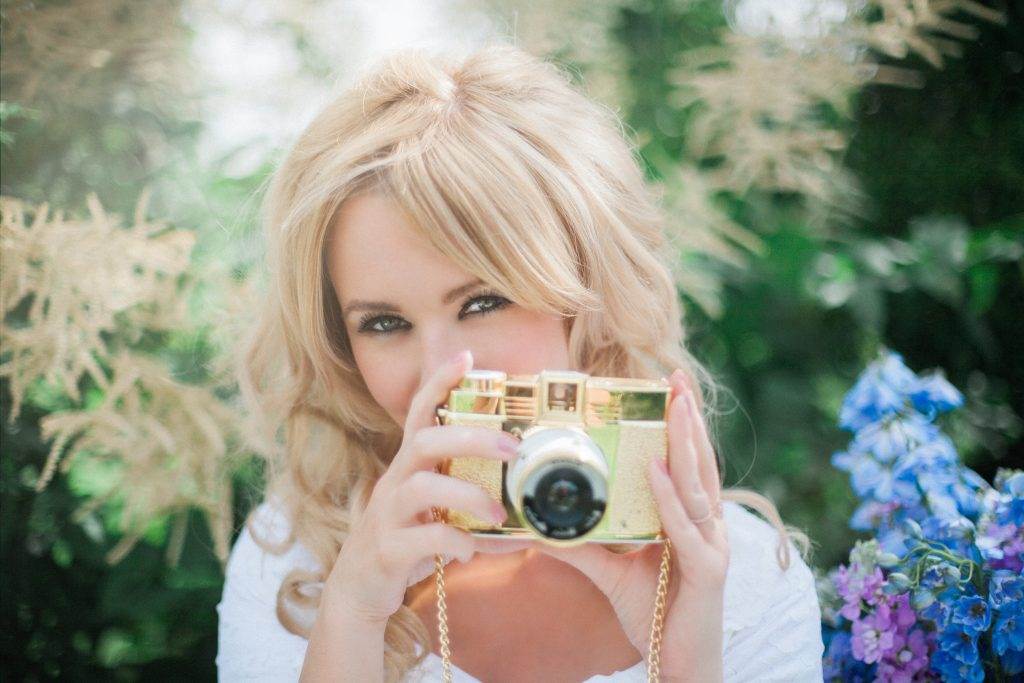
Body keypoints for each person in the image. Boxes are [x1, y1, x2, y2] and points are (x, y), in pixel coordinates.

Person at [216, 43, 824, 682]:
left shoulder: (743, 581)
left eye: (482, 302)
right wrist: (353, 617)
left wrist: (684, 668)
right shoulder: (293, 567)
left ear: (585, 294)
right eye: (385, 323)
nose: (442, 371)